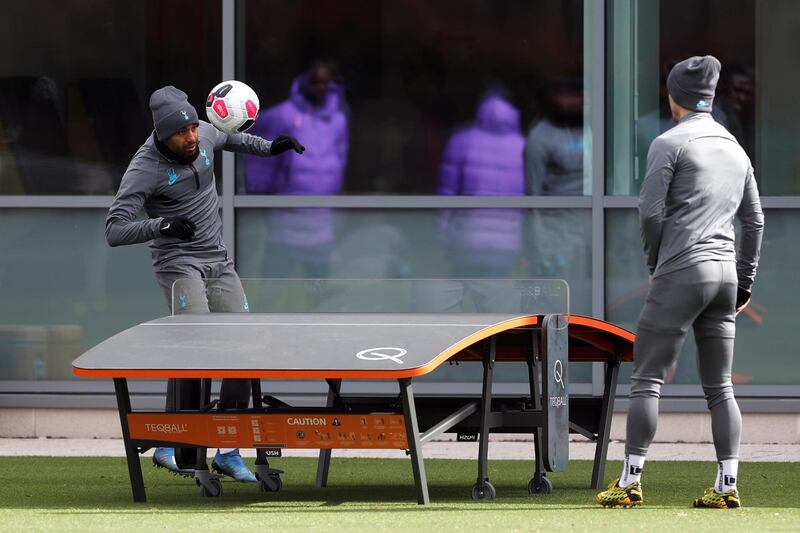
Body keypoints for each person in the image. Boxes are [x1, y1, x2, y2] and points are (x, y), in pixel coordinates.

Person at [105, 86, 304, 482]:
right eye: (181, 133)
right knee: (197, 346)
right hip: (177, 264)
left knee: (243, 348)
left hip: (219, 261)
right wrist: (161, 224)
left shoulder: (205, 135)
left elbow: (230, 137)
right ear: (162, 136)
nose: (192, 137)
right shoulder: (145, 168)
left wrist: (269, 148)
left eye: (194, 126)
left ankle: (228, 449)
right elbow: (114, 229)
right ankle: (174, 441)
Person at [595, 56, 764, 509]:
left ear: (674, 97)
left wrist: (655, 263)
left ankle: (629, 482)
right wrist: (743, 281)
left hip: (681, 270)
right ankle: (726, 486)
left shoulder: (668, 143)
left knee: (647, 379)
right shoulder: (734, 146)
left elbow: (650, 213)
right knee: (720, 386)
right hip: (725, 275)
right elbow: (755, 220)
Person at [244, 60, 348, 277]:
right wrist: (259, 198)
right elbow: (261, 163)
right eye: (315, 82)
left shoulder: (338, 119)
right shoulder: (282, 115)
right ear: (304, 83)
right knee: (271, 293)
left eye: (326, 83)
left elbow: (340, 158)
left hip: (321, 227)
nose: (321, 88)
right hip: (285, 226)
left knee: (320, 296)